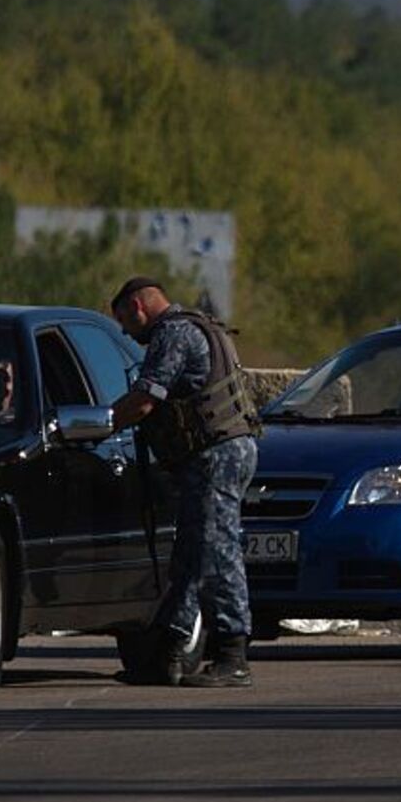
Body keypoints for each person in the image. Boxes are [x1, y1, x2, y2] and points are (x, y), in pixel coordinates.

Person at [107, 277, 264, 688]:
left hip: (215, 455)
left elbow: (144, 400)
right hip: (222, 451)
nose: (126, 331)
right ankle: (168, 652)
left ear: (139, 307)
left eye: (125, 320)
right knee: (192, 555)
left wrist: (103, 423)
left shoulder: (174, 334)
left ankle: (233, 654)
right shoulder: (201, 325)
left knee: (217, 550)